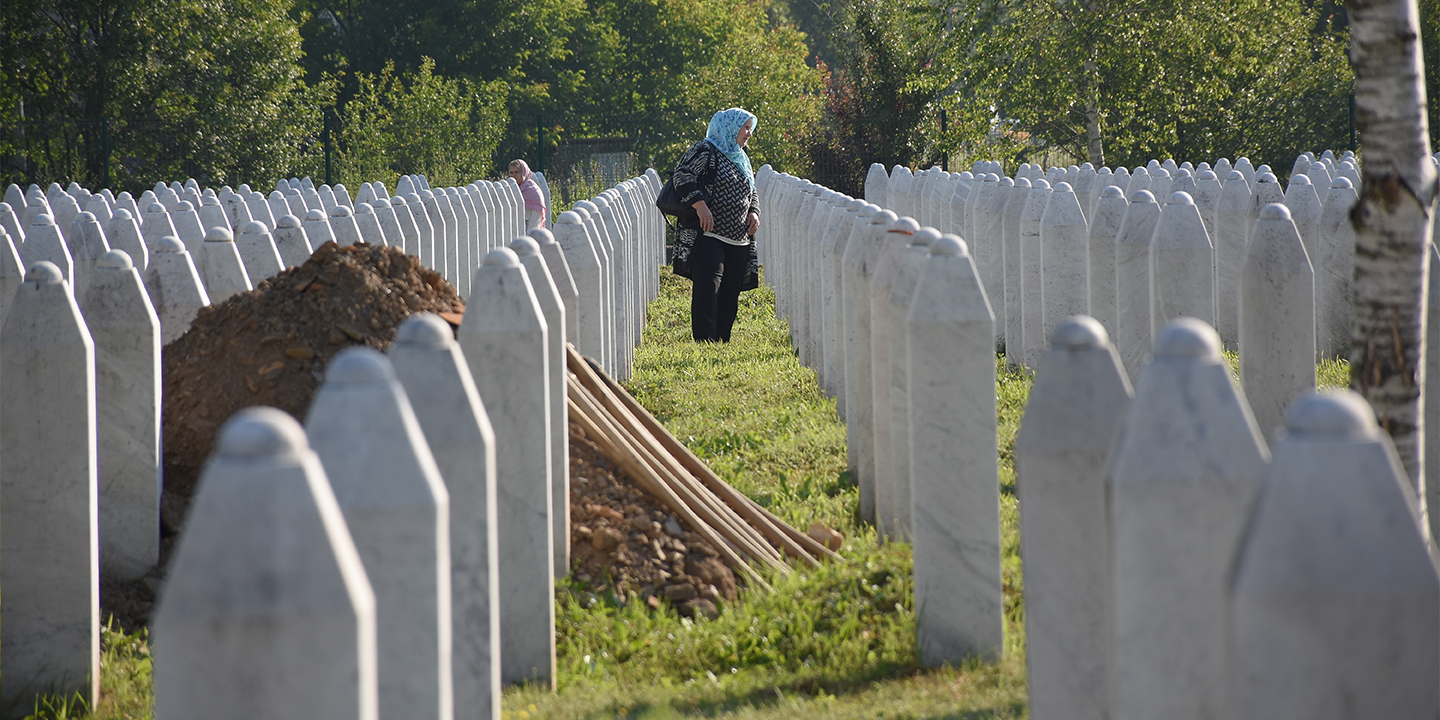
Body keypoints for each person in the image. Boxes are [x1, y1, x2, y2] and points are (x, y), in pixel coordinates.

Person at [672, 107, 761, 342]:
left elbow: (752, 191)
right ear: (730, 127)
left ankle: (722, 341)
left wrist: (754, 212)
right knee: (708, 288)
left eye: (750, 128)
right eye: (745, 127)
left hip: (739, 238)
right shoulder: (705, 149)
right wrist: (700, 205)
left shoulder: (742, 157)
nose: (748, 133)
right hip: (708, 235)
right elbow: (682, 175)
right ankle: (704, 341)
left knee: (730, 292)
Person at [509, 159, 547, 230]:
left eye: (516, 172)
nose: (513, 175)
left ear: (523, 173)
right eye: (511, 172)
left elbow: (535, 223)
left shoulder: (532, 191)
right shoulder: (513, 189)